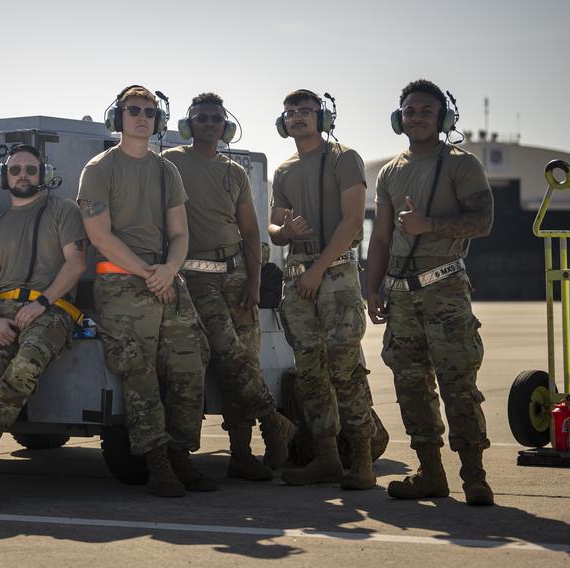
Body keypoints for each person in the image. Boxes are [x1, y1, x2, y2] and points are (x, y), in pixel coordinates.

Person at [77, 85, 214, 498]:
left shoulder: (164, 170)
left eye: (149, 113)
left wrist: (169, 271)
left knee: (191, 361)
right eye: (133, 110)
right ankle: (156, 462)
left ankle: (179, 454)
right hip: (120, 280)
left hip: (164, 275)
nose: (141, 117)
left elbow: (179, 233)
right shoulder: (99, 169)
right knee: (140, 371)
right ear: (117, 117)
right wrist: (148, 273)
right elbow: (99, 236)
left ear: (159, 122)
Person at [366, 79, 494, 506]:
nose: (416, 116)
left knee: (458, 382)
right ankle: (430, 473)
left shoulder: (462, 164)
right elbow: (380, 238)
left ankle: (474, 476)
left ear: (443, 117)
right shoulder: (389, 171)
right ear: (398, 118)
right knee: (410, 386)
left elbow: (482, 221)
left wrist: (431, 226)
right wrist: (373, 288)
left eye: (425, 110)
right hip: (401, 294)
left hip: (444, 287)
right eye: (409, 110)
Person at [0, 145, 87, 505]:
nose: (23, 175)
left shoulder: (63, 210)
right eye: (16, 169)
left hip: (52, 308)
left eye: (31, 169)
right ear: (3, 177)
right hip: (2, 312)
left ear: (43, 174)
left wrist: (41, 303)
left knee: (24, 367)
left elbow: (77, 264)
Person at [163, 92, 296, 481]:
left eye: (216, 118)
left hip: (236, 273)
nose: (209, 123)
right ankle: (274, 421)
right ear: (188, 125)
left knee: (245, 362)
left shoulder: (234, 171)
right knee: (230, 355)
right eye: (201, 118)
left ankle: (241, 453)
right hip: (195, 276)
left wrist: (254, 282)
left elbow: (252, 231)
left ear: (226, 126)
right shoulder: (170, 164)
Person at [268, 89, 376, 490]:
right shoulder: (283, 171)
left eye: (306, 111)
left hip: (334, 276)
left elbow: (351, 224)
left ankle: (361, 460)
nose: (297, 118)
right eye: (291, 112)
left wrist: (317, 269)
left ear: (323, 117)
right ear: (283, 122)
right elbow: (276, 230)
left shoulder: (344, 158)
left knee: (345, 370)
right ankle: (327, 458)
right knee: (310, 373)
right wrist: (285, 232)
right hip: (297, 279)